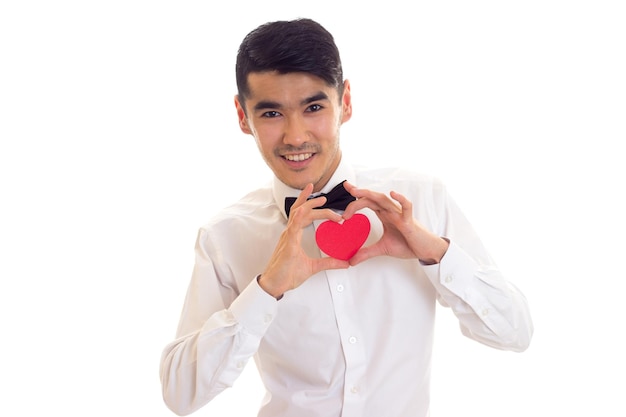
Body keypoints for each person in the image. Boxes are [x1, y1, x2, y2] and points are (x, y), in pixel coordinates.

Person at [159, 18, 533, 417]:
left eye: (314, 107)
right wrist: (265, 290)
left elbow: (515, 333)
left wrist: (437, 255)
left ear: (346, 102)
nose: (296, 136)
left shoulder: (422, 198)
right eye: (271, 114)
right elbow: (179, 395)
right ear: (241, 114)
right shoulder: (225, 237)